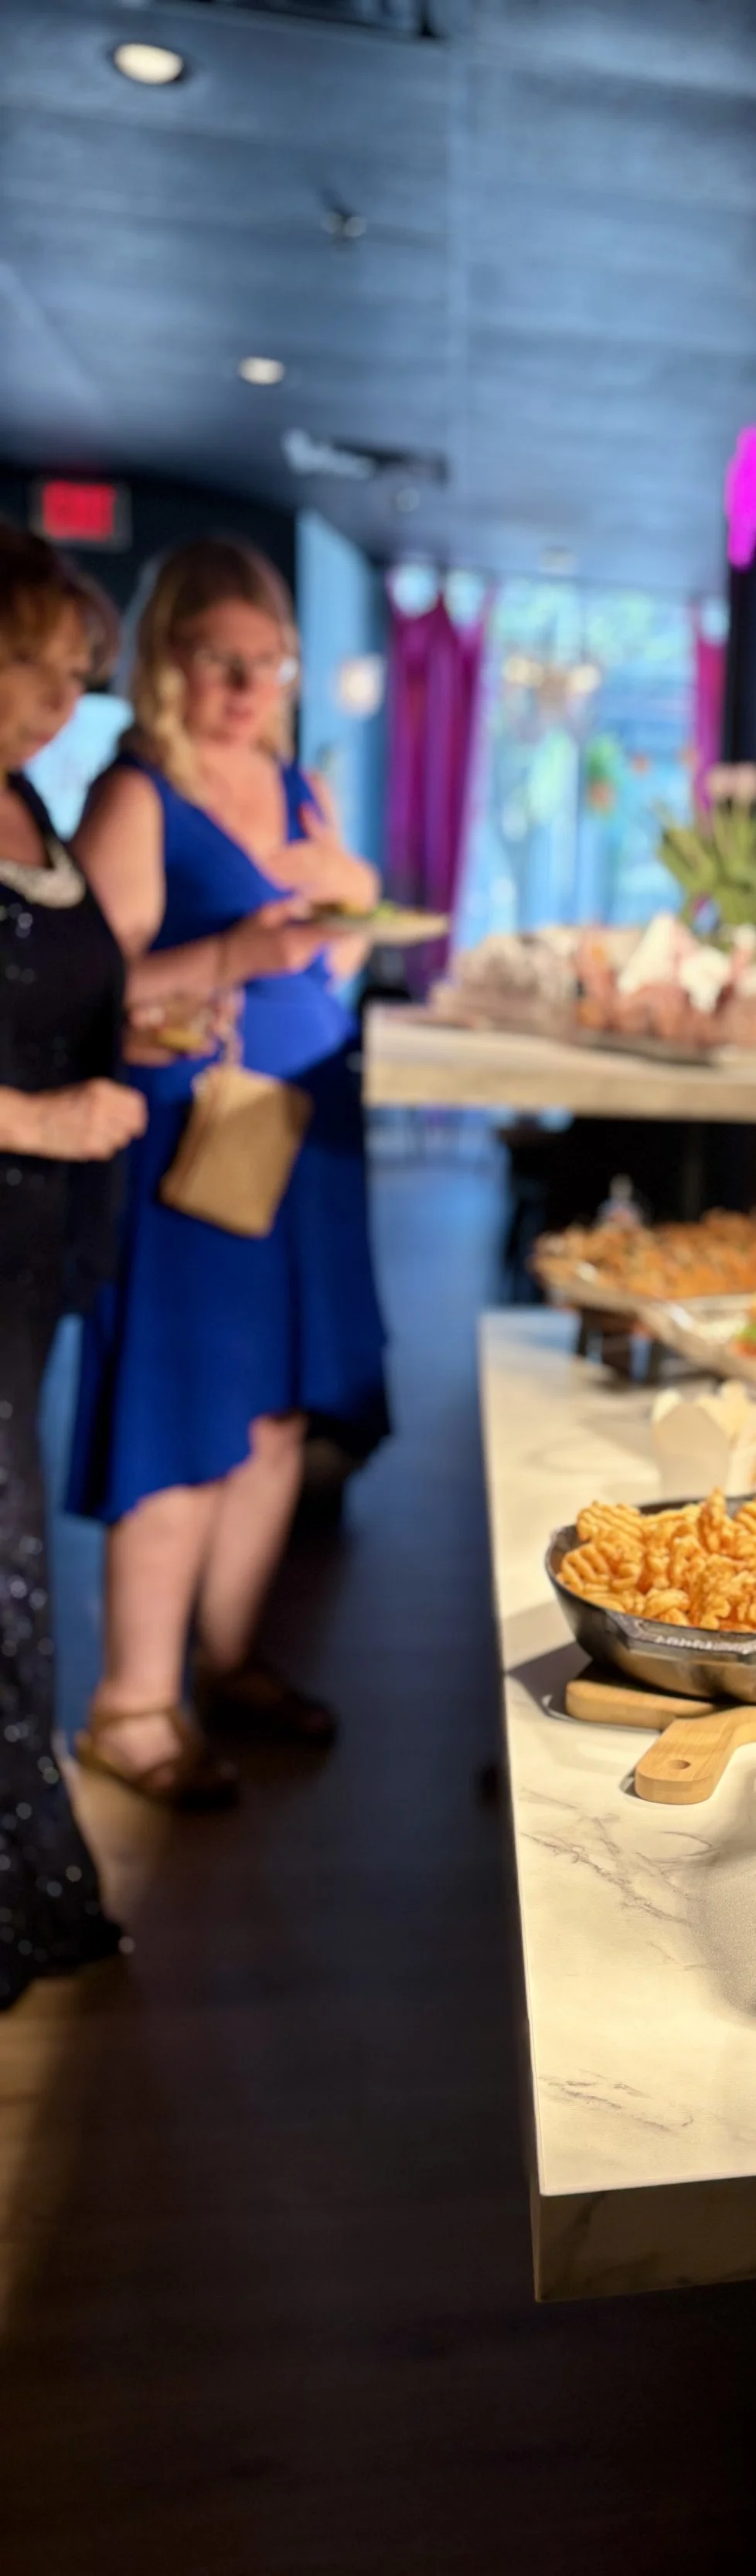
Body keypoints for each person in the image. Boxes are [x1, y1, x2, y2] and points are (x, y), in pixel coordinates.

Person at [69, 537, 390, 1805]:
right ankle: (131, 1707)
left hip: (306, 1139)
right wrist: (234, 960)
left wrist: (352, 908)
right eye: (223, 661)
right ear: (169, 663)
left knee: (275, 1423)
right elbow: (84, 997)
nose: (251, 688)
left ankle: (230, 1661)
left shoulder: (301, 794)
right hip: (193, 1151)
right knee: (189, 1421)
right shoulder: (139, 794)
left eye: (271, 663)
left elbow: (328, 973)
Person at [0, 525, 145, 1996]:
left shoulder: (30, 805)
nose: (55, 696)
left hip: (31, 1254)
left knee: (17, 1566)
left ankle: (25, 1887)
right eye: (33, 662)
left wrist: (133, 1038)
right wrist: (39, 1109)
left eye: (70, 673)